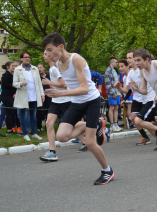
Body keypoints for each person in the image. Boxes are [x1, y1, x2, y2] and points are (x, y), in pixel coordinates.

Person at [42, 32, 113, 185]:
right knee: (61, 136)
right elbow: (68, 84)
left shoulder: (76, 59)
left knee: (90, 143)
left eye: (49, 49)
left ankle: (107, 171)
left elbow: (84, 89)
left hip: (91, 101)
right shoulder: (59, 65)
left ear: (61, 47)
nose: (47, 54)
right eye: (45, 51)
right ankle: (96, 124)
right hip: (76, 102)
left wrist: (61, 93)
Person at [39, 51, 71, 162]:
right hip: (55, 101)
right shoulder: (52, 69)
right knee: (49, 123)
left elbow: (64, 85)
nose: (43, 56)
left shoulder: (54, 69)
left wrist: (49, 82)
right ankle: (52, 152)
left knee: (75, 124)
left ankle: (96, 126)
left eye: (45, 54)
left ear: (51, 57)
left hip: (65, 100)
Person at [13, 51, 44, 141]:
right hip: (23, 95)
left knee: (33, 115)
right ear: (21, 58)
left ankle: (34, 133)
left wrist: (42, 94)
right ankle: (25, 133)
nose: (27, 59)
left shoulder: (34, 69)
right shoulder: (17, 69)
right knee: (24, 115)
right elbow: (14, 83)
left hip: (34, 95)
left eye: (29, 57)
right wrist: (20, 84)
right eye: (25, 57)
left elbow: (39, 83)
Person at [0, 61, 21, 135]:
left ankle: (13, 128)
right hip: (6, 96)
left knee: (13, 112)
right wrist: (13, 85)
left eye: (14, 66)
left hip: (12, 96)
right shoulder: (6, 74)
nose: (14, 67)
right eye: (12, 66)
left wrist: (14, 93)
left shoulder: (12, 75)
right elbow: (5, 84)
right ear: (7, 67)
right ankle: (9, 130)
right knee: (9, 112)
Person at [105, 57, 122, 132]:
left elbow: (118, 82)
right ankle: (112, 124)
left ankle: (116, 123)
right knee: (112, 108)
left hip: (117, 92)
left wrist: (120, 92)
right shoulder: (108, 71)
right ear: (112, 62)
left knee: (116, 108)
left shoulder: (116, 71)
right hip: (112, 92)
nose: (117, 64)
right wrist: (113, 93)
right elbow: (107, 83)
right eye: (116, 62)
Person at [37, 63, 52, 131]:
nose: (39, 69)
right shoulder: (37, 77)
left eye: (40, 67)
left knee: (48, 112)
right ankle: (39, 127)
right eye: (38, 68)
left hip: (48, 96)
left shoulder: (49, 76)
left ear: (44, 68)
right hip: (40, 96)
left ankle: (47, 126)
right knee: (40, 112)